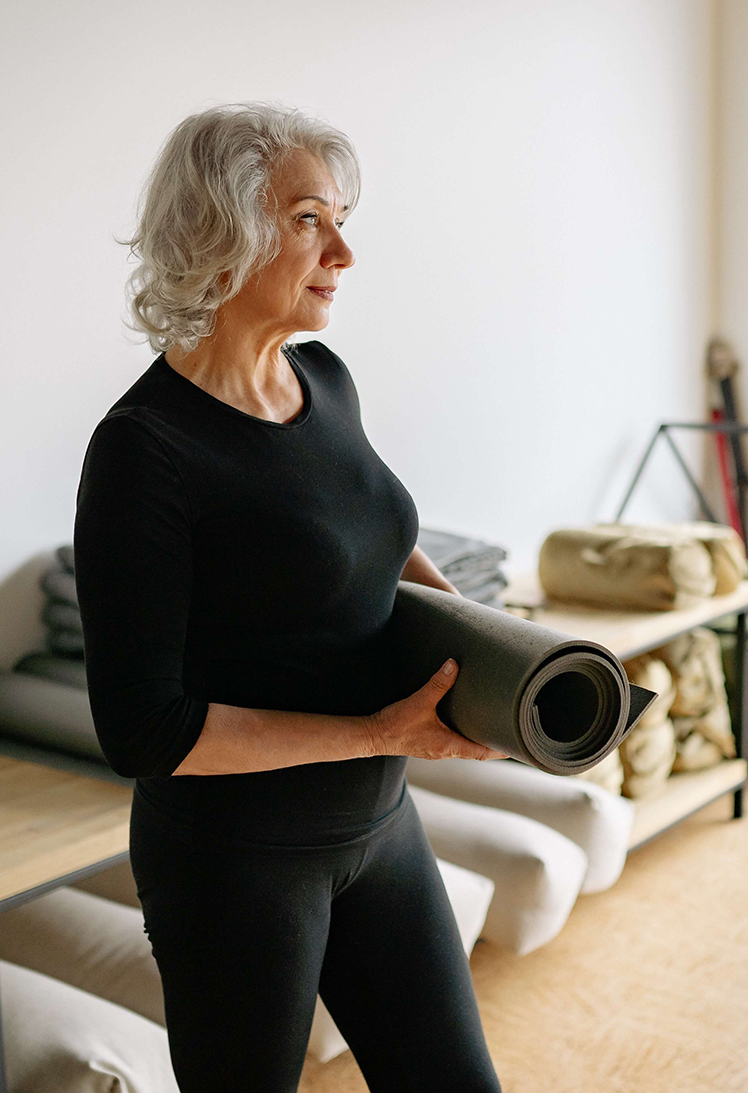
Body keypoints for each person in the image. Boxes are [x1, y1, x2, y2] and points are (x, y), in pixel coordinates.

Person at [73, 103, 506, 1093]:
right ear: (221, 231)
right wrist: (377, 730)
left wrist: (499, 650)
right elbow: (144, 730)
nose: (343, 251)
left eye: (341, 218)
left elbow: (377, 550)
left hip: (378, 830)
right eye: (311, 218)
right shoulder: (145, 451)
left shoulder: (324, 379)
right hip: (237, 863)